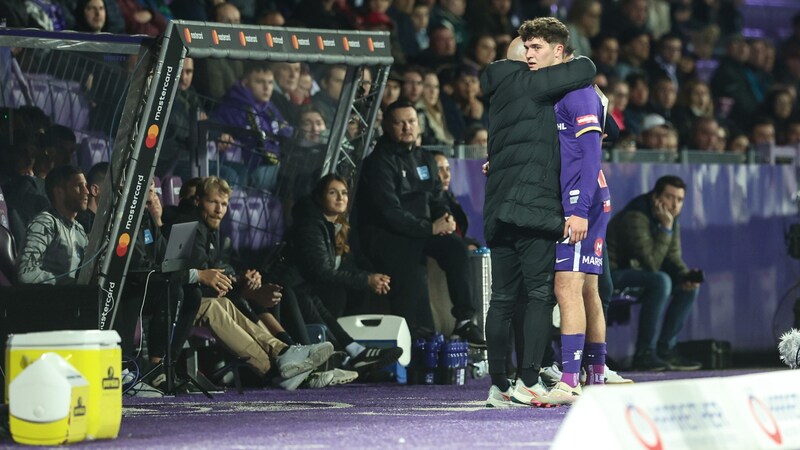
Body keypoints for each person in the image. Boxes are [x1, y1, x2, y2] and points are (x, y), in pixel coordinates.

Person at [479, 18, 596, 408]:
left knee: (502, 300)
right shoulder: (531, 82)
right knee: (540, 296)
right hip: (533, 208)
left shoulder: (496, 90)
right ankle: (529, 378)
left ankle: (498, 383)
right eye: (526, 50)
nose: (531, 56)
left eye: (535, 49)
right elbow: (587, 68)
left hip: (497, 208)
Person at [357, 100, 484, 347]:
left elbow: (438, 197)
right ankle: (413, 342)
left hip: (423, 232)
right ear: (387, 126)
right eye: (400, 122)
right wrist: (429, 228)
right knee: (412, 272)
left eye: (412, 121)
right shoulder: (379, 162)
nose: (407, 127)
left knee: (456, 248)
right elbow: (389, 212)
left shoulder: (424, 157)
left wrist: (445, 218)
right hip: (389, 236)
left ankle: (465, 320)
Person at [283, 174, 404, 373]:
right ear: (320, 197)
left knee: (324, 300)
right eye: (333, 192)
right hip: (289, 291)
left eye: (344, 193)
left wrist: (370, 278)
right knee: (316, 299)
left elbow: (344, 267)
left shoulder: (333, 226)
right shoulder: (311, 225)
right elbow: (321, 271)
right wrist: (366, 280)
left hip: (306, 290)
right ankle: (346, 357)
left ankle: (355, 352)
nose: (340, 197)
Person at [606, 175, 702, 371]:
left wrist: (685, 276)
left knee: (688, 288)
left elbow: (673, 257)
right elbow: (652, 263)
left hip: (639, 275)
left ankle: (666, 349)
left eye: (680, 200)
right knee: (661, 281)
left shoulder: (669, 217)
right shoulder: (636, 216)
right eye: (670, 197)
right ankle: (644, 354)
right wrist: (666, 229)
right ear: (655, 197)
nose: (675, 205)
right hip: (611, 276)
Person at [17, 165, 88, 285]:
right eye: (78, 186)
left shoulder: (79, 230)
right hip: (47, 301)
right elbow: (25, 273)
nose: (86, 191)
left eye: (85, 185)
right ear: (59, 192)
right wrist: (67, 283)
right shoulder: (45, 223)